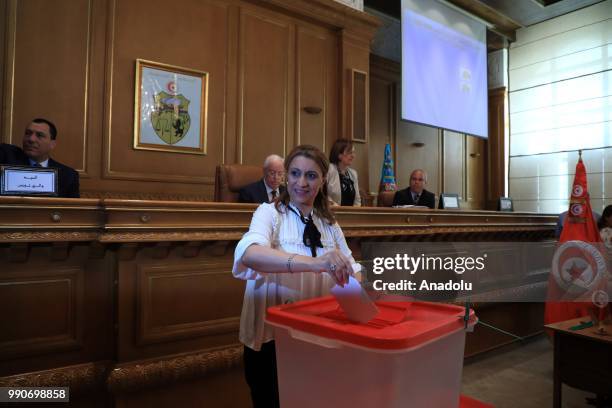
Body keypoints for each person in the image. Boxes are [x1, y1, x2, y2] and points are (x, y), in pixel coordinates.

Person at [232, 145, 356, 407]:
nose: (302, 182)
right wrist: (314, 263)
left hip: (315, 337)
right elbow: (250, 254)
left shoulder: (330, 225)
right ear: (286, 177)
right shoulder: (268, 214)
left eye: (311, 176)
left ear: (323, 180)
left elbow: (352, 272)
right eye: (296, 173)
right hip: (271, 340)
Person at [1, 118, 79, 198]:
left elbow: (73, 208)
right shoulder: (6, 155)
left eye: (40, 135)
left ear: (52, 144)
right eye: (28, 133)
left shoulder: (68, 176)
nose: (31, 139)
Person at [327, 138, 361, 206]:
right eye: (350, 153)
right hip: (331, 213)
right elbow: (322, 195)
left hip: (350, 215)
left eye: (353, 152)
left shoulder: (353, 173)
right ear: (339, 154)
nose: (353, 156)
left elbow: (357, 201)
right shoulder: (329, 170)